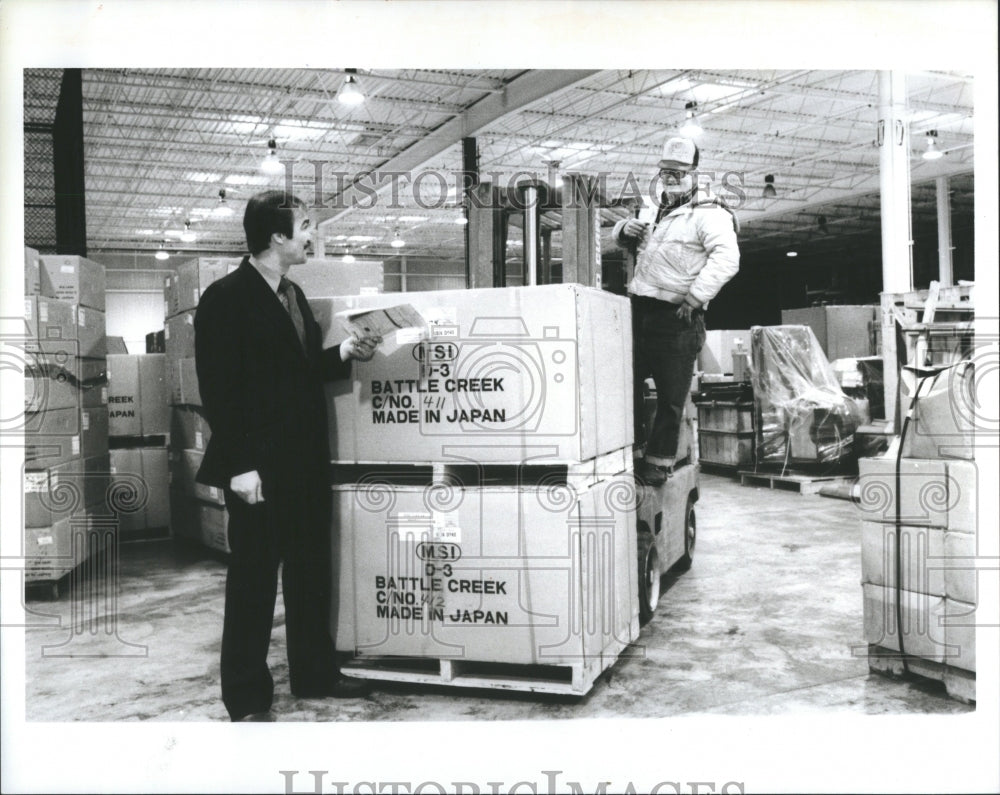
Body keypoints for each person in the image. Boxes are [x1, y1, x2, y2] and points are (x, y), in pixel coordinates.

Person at [194, 189, 381, 721]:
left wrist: (343, 352)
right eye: (303, 224)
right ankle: (248, 697)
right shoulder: (226, 297)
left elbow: (297, 372)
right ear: (276, 236)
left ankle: (315, 673)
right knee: (253, 582)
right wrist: (239, 466)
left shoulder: (293, 295)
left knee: (309, 572)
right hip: (259, 466)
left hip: (303, 461)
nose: (310, 233)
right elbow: (220, 390)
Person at [614, 137, 740, 486]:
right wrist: (624, 229)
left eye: (679, 172)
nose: (670, 178)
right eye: (666, 171)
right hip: (639, 310)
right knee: (628, 386)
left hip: (677, 317)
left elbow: (727, 259)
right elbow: (627, 241)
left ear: (696, 173)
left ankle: (659, 462)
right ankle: (634, 452)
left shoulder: (710, 213)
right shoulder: (652, 207)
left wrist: (694, 298)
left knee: (671, 398)